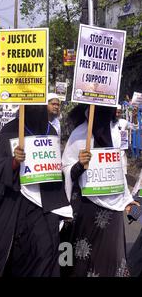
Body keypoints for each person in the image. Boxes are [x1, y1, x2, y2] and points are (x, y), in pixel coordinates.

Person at [0, 105, 72, 277]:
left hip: (44, 206)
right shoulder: (10, 130)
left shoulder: (50, 130)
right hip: (16, 203)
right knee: (9, 255)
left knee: (46, 252)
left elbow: (55, 168)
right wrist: (14, 162)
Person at [62, 105, 138, 277]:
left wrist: (127, 200)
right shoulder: (79, 135)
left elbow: (119, 169)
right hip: (85, 209)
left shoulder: (116, 134)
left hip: (113, 213)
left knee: (111, 259)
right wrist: (80, 164)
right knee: (81, 260)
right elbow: (66, 171)